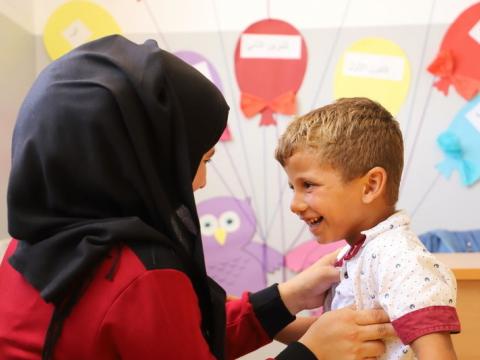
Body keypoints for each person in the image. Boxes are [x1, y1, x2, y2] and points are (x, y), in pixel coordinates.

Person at [0, 35, 394, 360]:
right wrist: (311, 354)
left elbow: (170, 339)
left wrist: (287, 297)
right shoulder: (142, 276)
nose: (201, 181)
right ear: (142, 160)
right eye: (201, 160)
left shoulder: (29, 247)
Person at [275, 97, 461, 359]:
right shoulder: (360, 253)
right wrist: (234, 311)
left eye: (308, 185)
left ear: (371, 185)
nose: (294, 205)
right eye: (293, 188)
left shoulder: (400, 259)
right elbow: (328, 335)